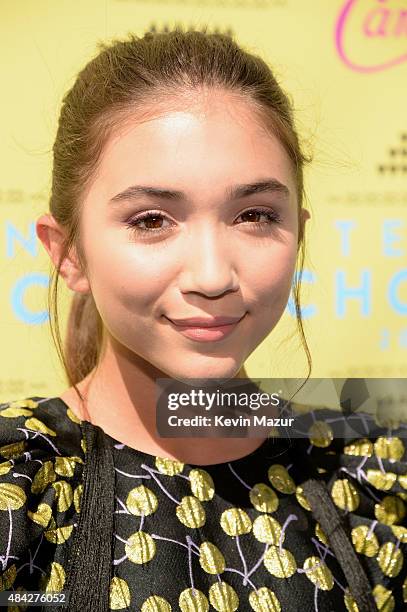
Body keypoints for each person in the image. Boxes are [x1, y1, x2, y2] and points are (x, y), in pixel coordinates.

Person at [0, 27, 405, 612]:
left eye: (255, 215)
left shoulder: (373, 486)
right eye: (151, 220)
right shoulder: (18, 491)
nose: (212, 276)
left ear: (299, 233)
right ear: (68, 253)